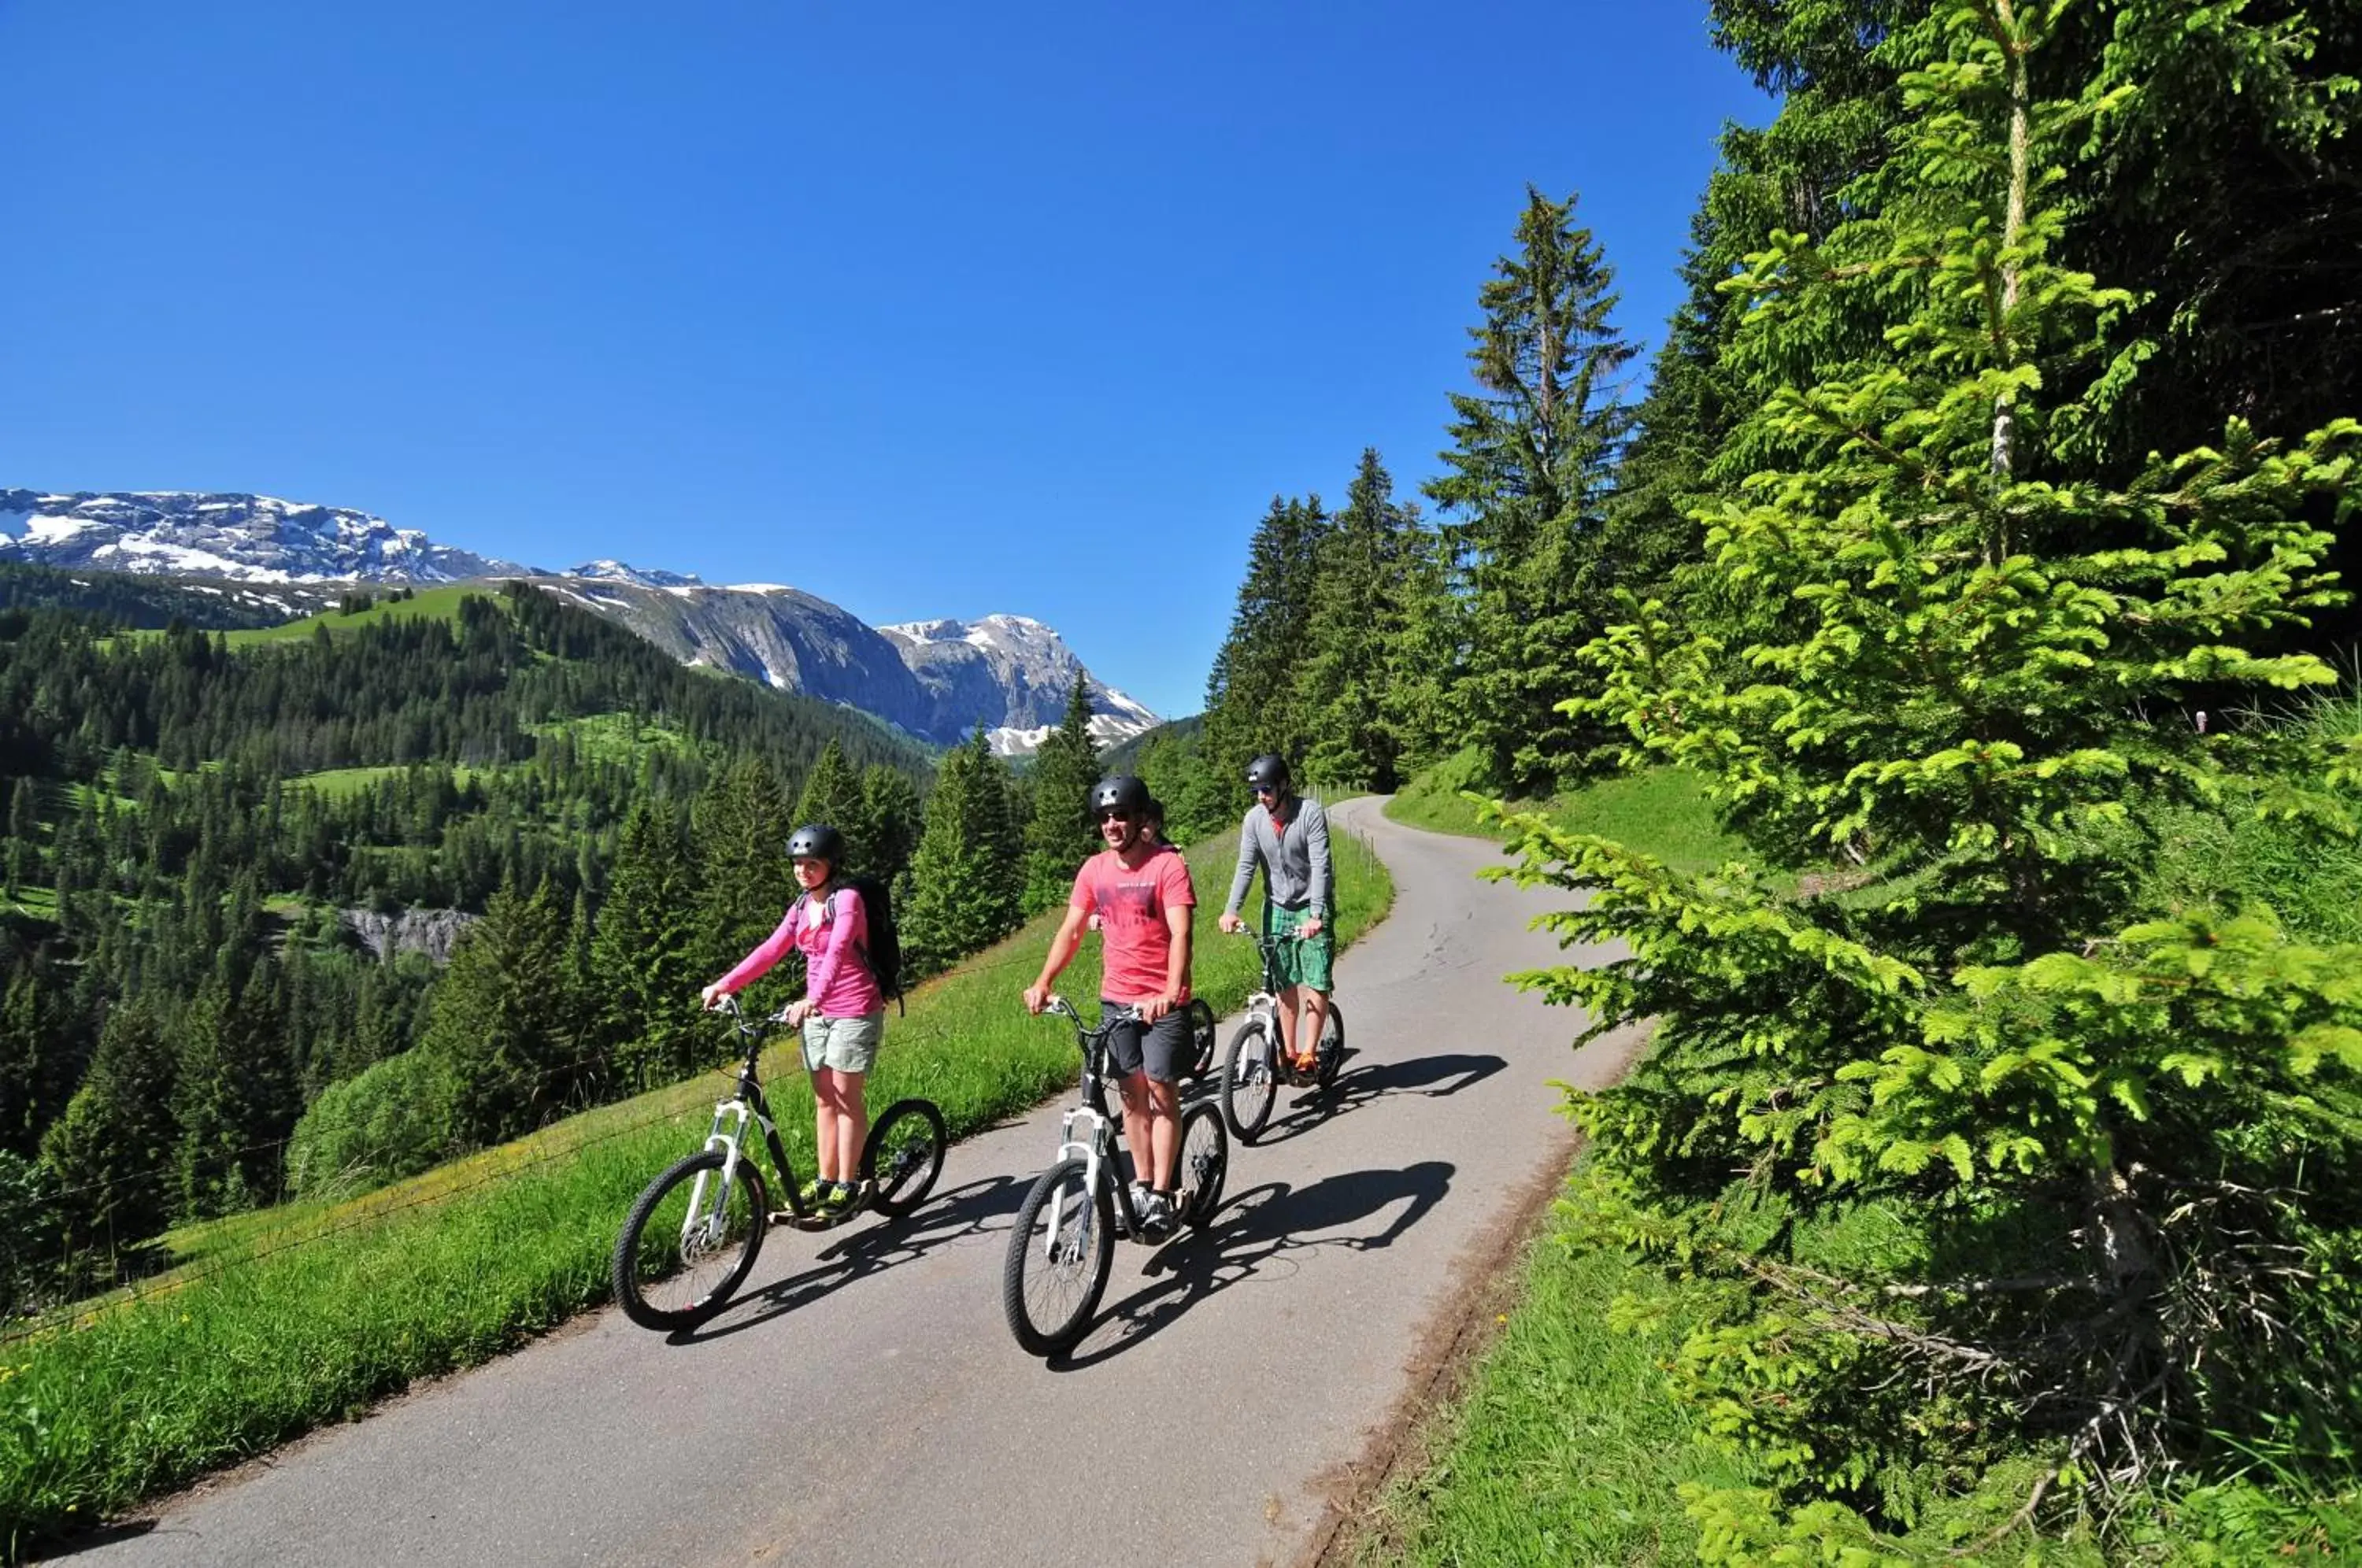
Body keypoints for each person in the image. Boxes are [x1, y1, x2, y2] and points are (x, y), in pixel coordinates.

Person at [1024, 775, 1196, 1231]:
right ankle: (1141, 1184)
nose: (1112, 824)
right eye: (1104, 817)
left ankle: (1162, 1192)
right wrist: (1043, 981)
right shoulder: (1095, 870)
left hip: (1163, 1002)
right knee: (1131, 1098)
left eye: (1121, 815)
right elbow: (1072, 930)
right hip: (1116, 1000)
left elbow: (1181, 932)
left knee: (1161, 1092)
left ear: (1141, 818)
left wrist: (1170, 991)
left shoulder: (1167, 866)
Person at [701, 823, 883, 1218]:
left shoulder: (847, 900)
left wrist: (812, 999)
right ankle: (825, 1178)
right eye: (797, 863)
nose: (802, 870)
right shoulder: (802, 907)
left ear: (832, 865)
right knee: (823, 1100)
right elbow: (771, 949)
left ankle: (848, 1184)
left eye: (811, 863)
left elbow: (837, 952)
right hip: (817, 1014)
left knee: (846, 1098)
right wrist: (724, 984)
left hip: (853, 1008)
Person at [1218, 753, 1334, 1077]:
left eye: (1266, 789)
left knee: (1315, 977)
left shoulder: (1309, 813)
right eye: (1256, 791)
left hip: (1312, 904)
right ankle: (1290, 1050)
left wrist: (1316, 914)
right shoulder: (1254, 820)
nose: (1261, 796)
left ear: (1284, 785)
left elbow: (1321, 866)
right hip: (1278, 906)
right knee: (1282, 981)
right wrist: (1231, 910)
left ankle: (1310, 1052)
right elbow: (1246, 867)